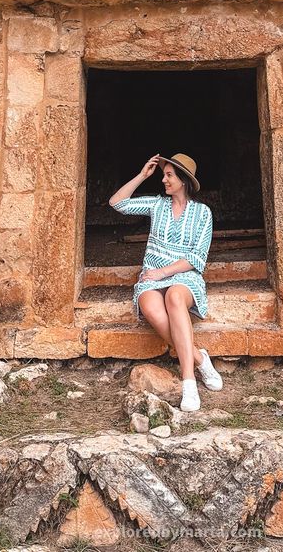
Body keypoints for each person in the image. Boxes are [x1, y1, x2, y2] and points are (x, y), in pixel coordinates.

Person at [109, 152, 223, 412]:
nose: (163, 179)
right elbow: (117, 203)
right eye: (163, 174)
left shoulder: (202, 213)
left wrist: (163, 274)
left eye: (169, 175)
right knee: (149, 306)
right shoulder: (156, 205)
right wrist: (141, 175)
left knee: (174, 296)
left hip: (183, 276)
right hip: (151, 276)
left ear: (183, 180)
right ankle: (199, 358)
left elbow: (197, 256)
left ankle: (189, 382)